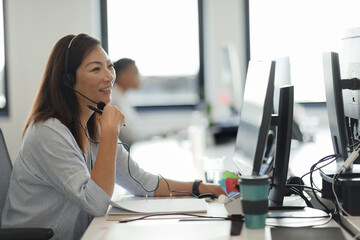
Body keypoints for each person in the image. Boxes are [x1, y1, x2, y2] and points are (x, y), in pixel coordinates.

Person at [1, 34, 225, 240]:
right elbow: (96, 203)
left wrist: (198, 187)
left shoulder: (92, 125)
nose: (109, 77)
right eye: (96, 69)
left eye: (109, 67)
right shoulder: (48, 132)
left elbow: (141, 182)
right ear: (68, 80)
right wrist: (110, 133)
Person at [111, 58, 180, 145]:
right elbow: (132, 135)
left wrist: (162, 131)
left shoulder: (122, 97)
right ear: (123, 76)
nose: (139, 77)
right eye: (136, 73)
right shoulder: (115, 101)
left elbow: (138, 126)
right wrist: (159, 134)